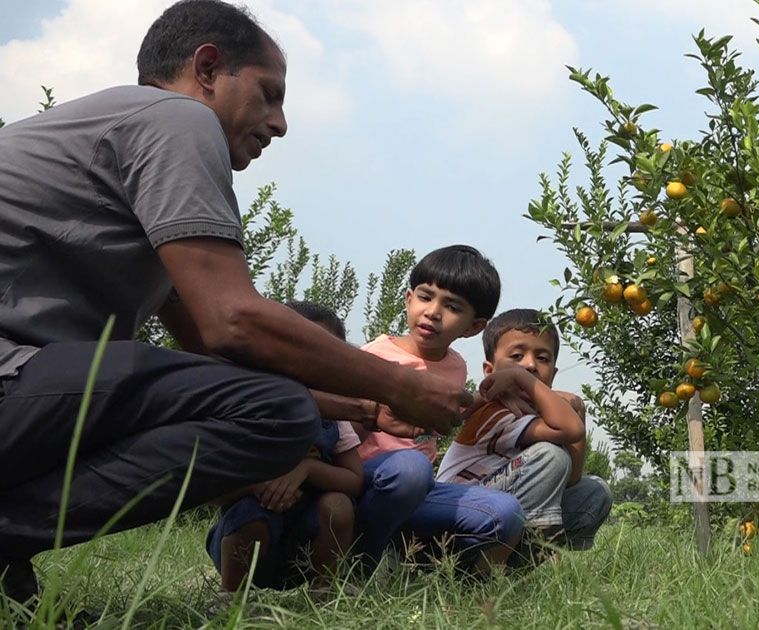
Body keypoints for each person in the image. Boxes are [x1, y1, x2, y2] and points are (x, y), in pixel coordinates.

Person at [0, 0, 470, 603]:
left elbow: (206, 348)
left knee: (265, 400)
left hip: (24, 383)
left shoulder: (119, 134)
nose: (280, 123)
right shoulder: (174, 119)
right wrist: (397, 386)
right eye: (268, 93)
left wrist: (362, 407)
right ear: (207, 67)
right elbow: (232, 323)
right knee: (277, 416)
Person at [354, 245, 524, 574]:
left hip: (419, 490)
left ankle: (432, 567)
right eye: (425, 296)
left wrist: (490, 395)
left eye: (451, 306)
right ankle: (361, 563)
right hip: (364, 481)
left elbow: (448, 413)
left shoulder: (455, 365)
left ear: (474, 327)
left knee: (506, 512)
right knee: (411, 468)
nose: (432, 312)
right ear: (408, 299)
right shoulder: (375, 355)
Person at [206, 302, 362, 592]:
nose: (306, 365)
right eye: (294, 350)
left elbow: (354, 480)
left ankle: (325, 589)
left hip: (304, 550)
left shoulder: (335, 419)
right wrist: (260, 484)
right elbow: (210, 489)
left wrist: (308, 469)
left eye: (322, 354)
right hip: (244, 541)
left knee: (339, 505)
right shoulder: (246, 412)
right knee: (250, 516)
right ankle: (231, 596)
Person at [438, 309, 612, 557]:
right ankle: (487, 574)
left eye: (542, 358)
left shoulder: (539, 418)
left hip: (496, 514)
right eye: (517, 357)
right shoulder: (494, 411)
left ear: (553, 373)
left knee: (594, 491)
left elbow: (571, 481)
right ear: (490, 371)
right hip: (454, 525)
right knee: (550, 456)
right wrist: (524, 380)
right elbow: (570, 431)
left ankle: (517, 568)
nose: (530, 365)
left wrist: (577, 410)